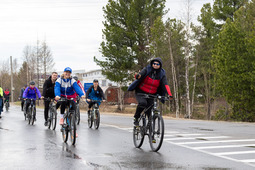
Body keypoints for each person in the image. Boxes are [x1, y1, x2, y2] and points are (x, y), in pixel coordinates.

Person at [128, 57, 173, 126]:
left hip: (152, 94)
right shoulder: (147, 69)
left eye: (157, 64)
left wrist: (169, 94)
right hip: (141, 92)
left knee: (150, 113)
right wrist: (138, 76)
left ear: (160, 65)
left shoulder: (162, 74)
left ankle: (150, 130)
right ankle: (136, 118)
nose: (155, 65)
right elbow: (141, 74)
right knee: (143, 103)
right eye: (154, 63)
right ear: (152, 64)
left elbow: (165, 84)